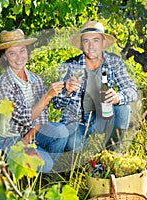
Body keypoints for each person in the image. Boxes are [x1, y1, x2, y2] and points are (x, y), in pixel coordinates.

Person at [0, 29, 69, 173]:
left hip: (29, 133)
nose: (19, 57)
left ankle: (45, 169)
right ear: (5, 58)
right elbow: (23, 118)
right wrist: (47, 96)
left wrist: (27, 139)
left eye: (22, 51)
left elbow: (43, 115)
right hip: (10, 138)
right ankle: (30, 167)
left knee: (61, 131)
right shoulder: (3, 84)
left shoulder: (35, 79)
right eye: (12, 53)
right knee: (46, 164)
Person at [52, 21, 138, 151]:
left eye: (95, 40)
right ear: (81, 44)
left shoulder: (113, 62)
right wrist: (66, 91)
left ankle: (111, 152)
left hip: (104, 118)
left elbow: (132, 90)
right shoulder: (69, 66)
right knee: (73, 144)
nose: (91, 46)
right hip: (77, 122)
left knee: (123, 108)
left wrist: (117, 97)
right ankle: (80, 159)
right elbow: (56, 104)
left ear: (103, 43)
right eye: (86, 41)